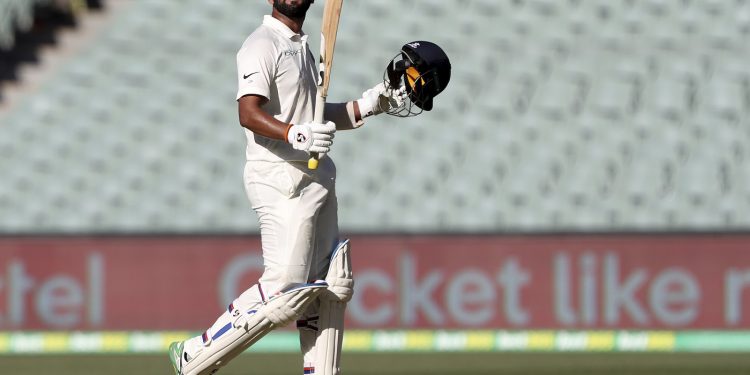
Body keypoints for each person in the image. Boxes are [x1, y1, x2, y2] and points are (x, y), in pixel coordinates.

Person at [168, 1, 405, 374]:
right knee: (285, 289)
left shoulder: (303, 49)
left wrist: (370, 104)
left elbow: (314, 116)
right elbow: (248, 112)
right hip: (279, 178)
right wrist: (295, 133)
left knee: (332, 286)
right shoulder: (261, 44)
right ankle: (196, 355)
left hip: (316, 178)